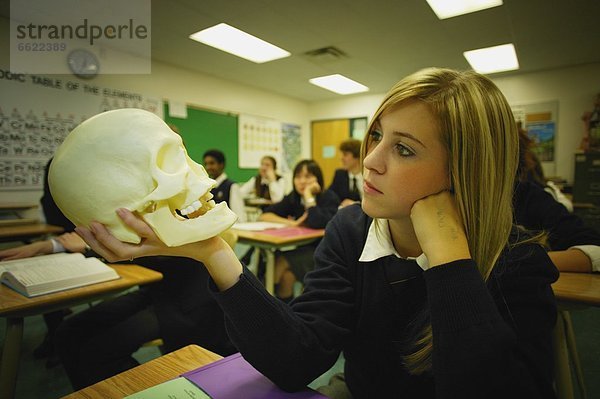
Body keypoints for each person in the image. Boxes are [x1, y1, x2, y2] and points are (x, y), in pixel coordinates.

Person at [78, 68, 559, 398]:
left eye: (405, 150)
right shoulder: (351, 229)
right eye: (376, 136)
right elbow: (296, 360)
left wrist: (451, 260)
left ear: (465, 171)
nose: (371, 161)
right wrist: (212, 253)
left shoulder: (518, 259)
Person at [258, 159, 339, 300]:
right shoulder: (293, 198)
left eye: (308, 177)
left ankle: (260, 300)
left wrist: (308, 195)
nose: (302, 181)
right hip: (302, 249)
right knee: (286, 277)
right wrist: (292, 224)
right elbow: (265, 215)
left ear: (317, 179)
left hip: (323, 253)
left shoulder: (328, 197)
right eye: (298, 177)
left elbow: (316, 222)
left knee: (280, 261)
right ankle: (283, 314)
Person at [202, 149, 246, 222]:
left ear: (221, 165)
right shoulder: (207, 187)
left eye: (212, 163)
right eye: (206, 164)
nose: (208, 167)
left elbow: (239, 216)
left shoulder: (232, 186)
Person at [327, 138, 363, 208]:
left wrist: (356, 204)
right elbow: (330, 196)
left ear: (357, 156)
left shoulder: (368, 175)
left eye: (345, 155)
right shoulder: (339, 175)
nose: (341, 158)